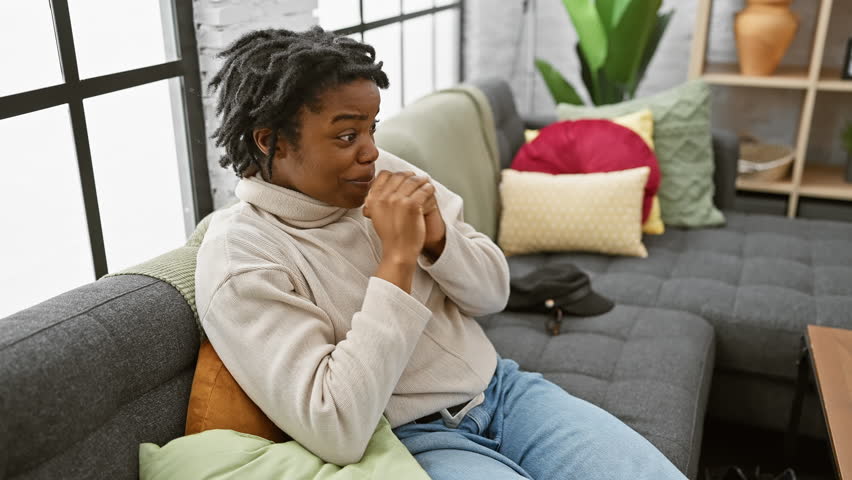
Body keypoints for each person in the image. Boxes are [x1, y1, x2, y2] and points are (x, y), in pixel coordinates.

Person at [194, 26, 686, 480]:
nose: (370, 151)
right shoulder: (242, 260)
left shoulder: (381, 172)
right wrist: (398, 261)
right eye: (347, 136)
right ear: (271, 142)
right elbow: (336, 426)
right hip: (412, 441)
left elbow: (492, 295)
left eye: (371, 129)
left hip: (505, 391)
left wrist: (438, 241)